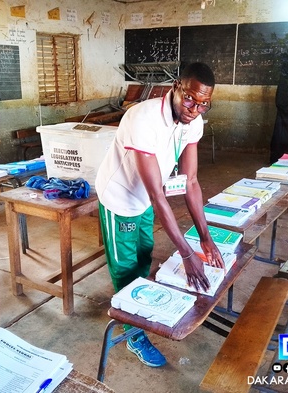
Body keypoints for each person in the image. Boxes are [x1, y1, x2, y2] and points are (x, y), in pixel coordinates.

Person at [95, 62, 225, 368]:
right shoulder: (142, 118)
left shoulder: (194, 121)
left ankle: (137, 308)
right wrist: (186, 252)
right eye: (191, 99)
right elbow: (157, 194)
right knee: (126, 266)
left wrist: (204, 240)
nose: (195, 109)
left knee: (144, 255)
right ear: (176, 88)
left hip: (144, 199)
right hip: (121, 198)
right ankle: (133, 333)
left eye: (204, 103)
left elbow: (190, 181)